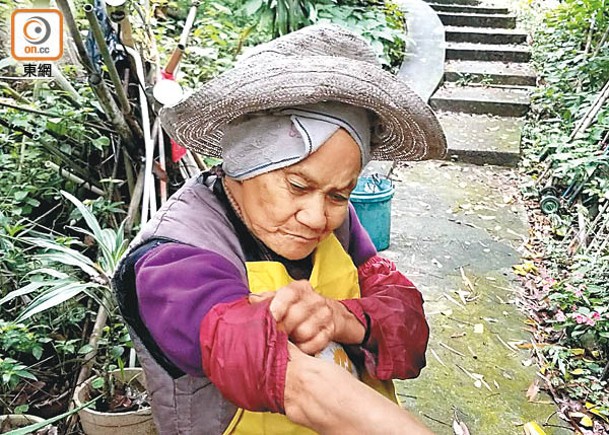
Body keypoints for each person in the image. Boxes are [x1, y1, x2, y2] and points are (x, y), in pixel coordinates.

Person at [113, 23, 446, 434]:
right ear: (244, 160)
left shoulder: (337, 226)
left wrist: (343, 319)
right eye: (297, 185)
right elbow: (289, 378)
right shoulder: (173, 261)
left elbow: (408, 323)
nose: (316, 217)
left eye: (340, 194)